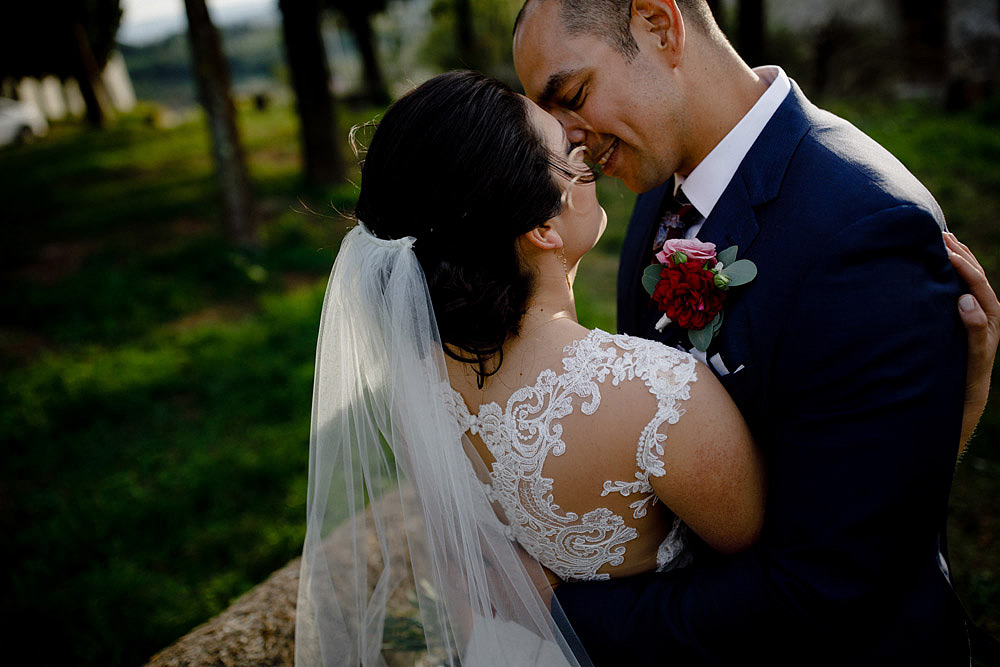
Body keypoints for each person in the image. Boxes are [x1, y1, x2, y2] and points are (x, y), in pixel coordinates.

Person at [511, 0, 999, 664]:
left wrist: (555, 612)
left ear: (659, 25)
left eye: (572, 96)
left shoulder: (863, 232)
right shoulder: (659, 190)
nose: (567, 139)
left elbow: (831, 587)